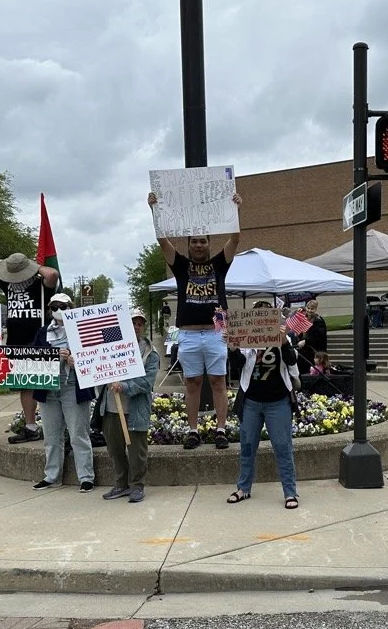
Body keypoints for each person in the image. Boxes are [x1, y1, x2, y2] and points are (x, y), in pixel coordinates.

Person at [148, 189, 242, 451]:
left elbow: (235, 238)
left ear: (209, 243)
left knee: (218, 382)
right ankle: (193, 430)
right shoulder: (180, 266)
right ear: (188, 245)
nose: (199, 245)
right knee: (193, 383)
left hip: (215, 333)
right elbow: (162, 240)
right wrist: (154, 210)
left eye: (203, 241)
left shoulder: (219, 264)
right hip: (188, 335)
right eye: (194, 242)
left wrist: (236, 210)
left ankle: (220, 429)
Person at [0, 252, 59, 444]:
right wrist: (8, 264)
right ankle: (31, 426)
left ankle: (55, 425)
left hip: (39, 339)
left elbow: (53, 275)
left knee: (47, 385)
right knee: (25, 385)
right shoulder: (7, 284)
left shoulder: (41, 285)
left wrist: (31, 266)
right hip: (16, 341)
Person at [225, 320, 299, 509]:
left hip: (279, 401)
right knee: (247, 445)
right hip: (251, 402)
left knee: (283, 446)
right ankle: (243, 488)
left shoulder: (284, 338)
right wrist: (233, 348)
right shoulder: (246, 339)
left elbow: (291, 360)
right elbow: (237, 365)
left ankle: (290, 492)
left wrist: (283, 342)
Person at [30, 293, 95, 492]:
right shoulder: (42, 333)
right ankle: (51, 476)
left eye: (64, 306)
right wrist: (52, 356)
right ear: (50, 309)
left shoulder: (82, 331)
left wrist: (78, 361)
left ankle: (86, 477)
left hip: (73, 387)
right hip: (48, 390)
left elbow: (95, 358)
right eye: (56, 306)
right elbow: (32, 359)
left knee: (78, 434)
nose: (60, 310)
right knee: (51, 436)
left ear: (71, 308)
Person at [97, 309, 159, 503]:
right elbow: (95, 365)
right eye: (132, 322)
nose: (136, 326)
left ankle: (137, 486)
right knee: (115, 450)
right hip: (111, 409)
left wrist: (124, 386)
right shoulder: (109, 346)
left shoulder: (150, 353)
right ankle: (121, 484)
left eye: (140, 323)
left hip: (135, 410)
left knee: (137, 452)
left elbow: (146, 382)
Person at [295, 299, 327, 375]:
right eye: (308, 308)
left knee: (313, 371)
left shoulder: (318, 321)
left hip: (314, 352)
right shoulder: (304, 318)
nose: (309, 310)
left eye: (312, 309)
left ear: (316, 309)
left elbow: (319, 337)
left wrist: (306, 341)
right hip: (304, 351)